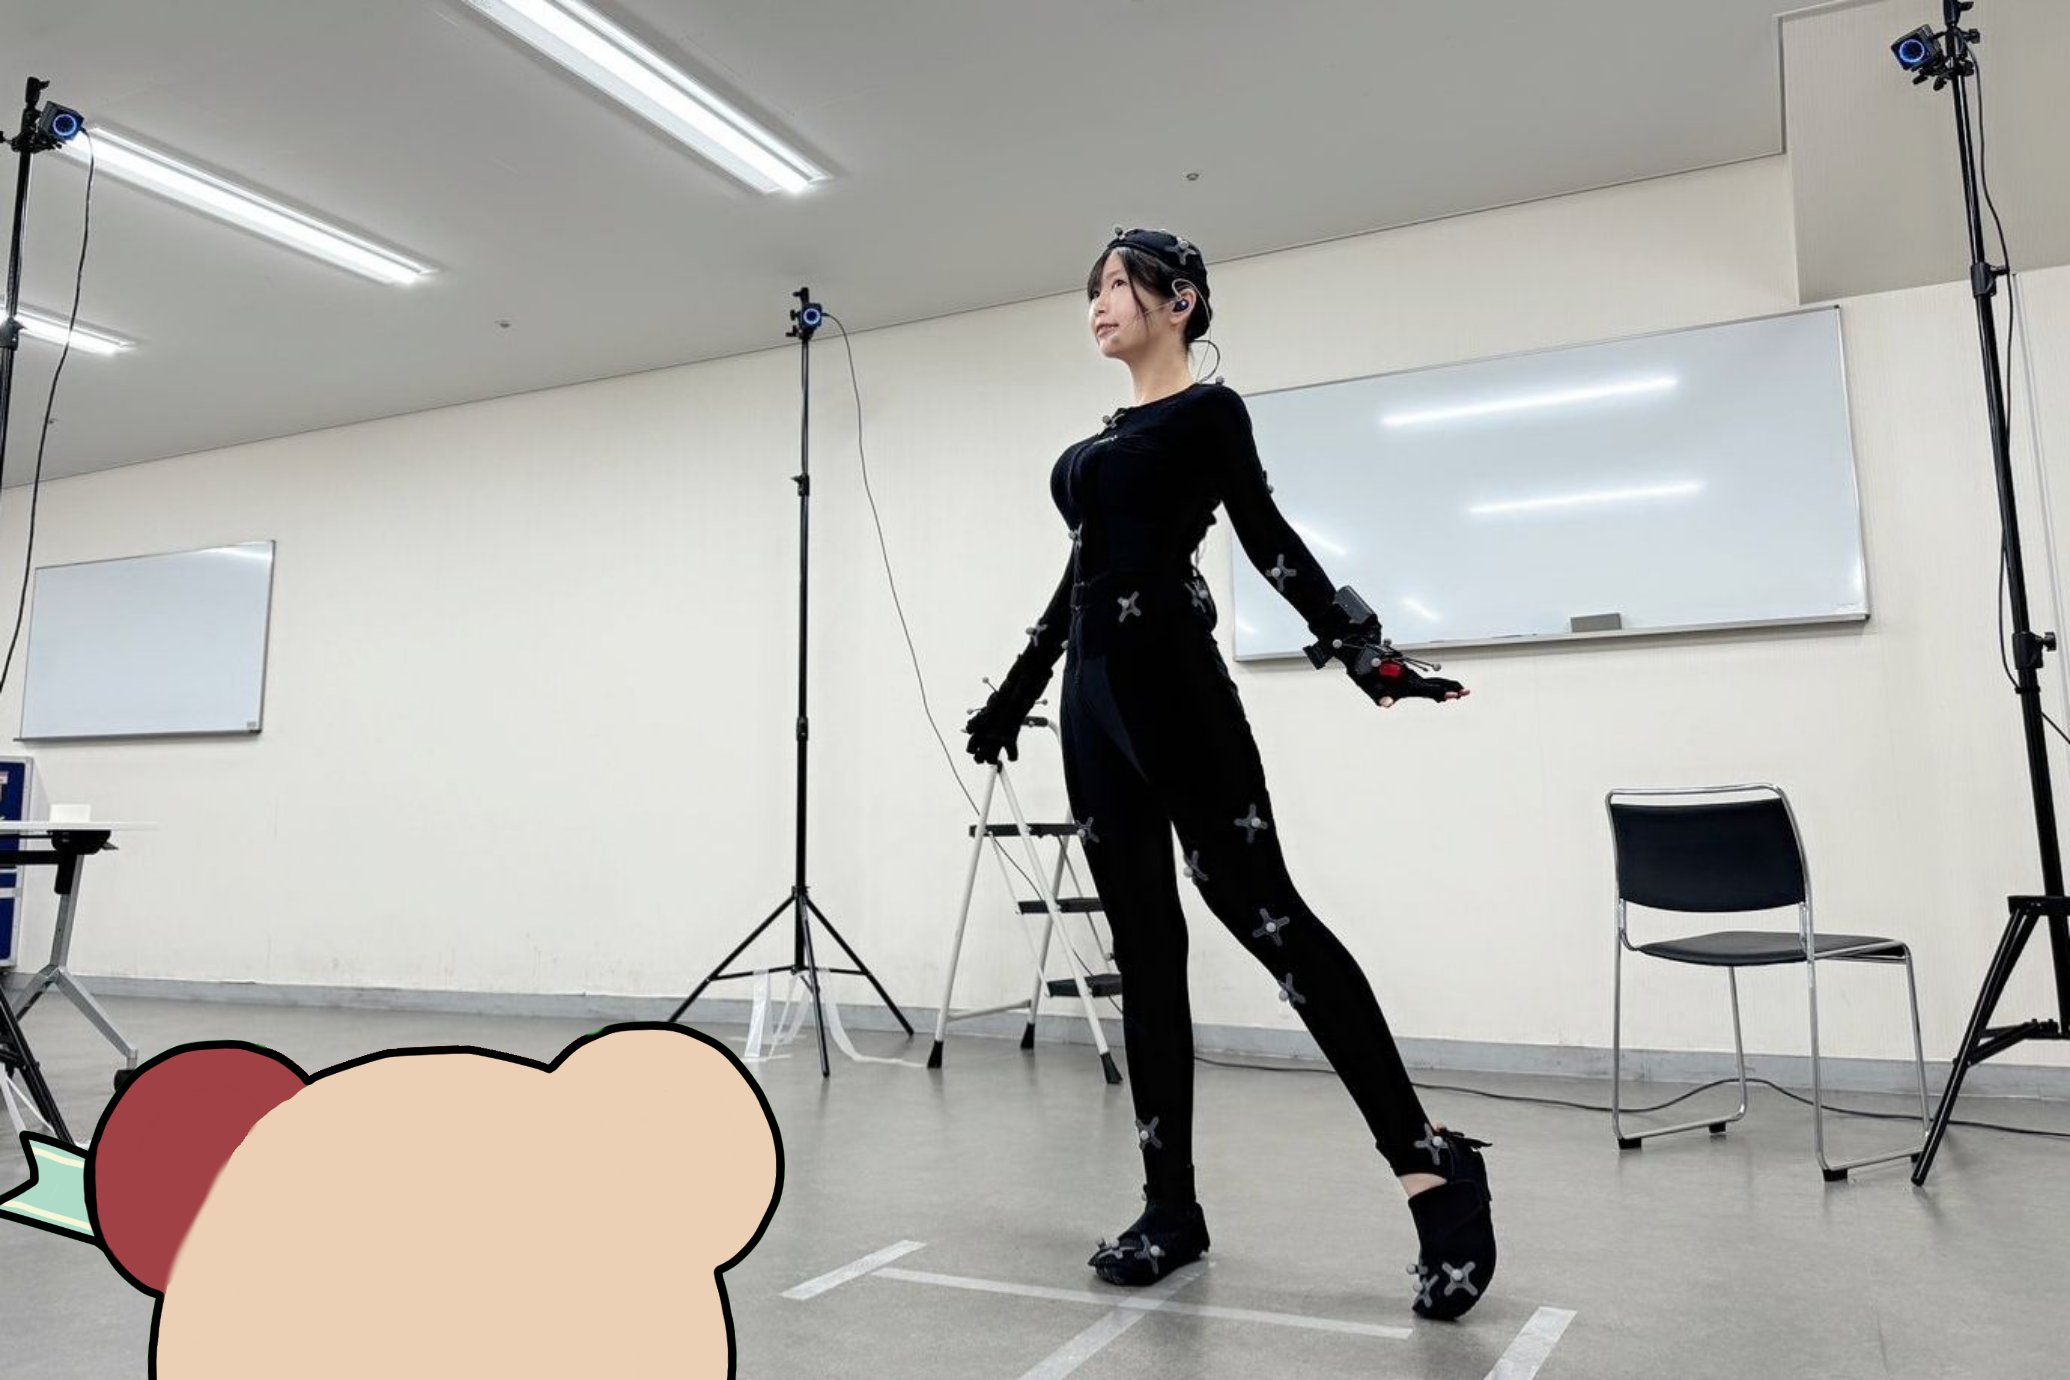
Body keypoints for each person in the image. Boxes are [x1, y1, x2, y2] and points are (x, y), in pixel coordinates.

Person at [962, 228, 1496, 1321]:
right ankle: (1171, 1210)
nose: (1100, 302)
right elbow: (1081, 575)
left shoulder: (1209, 413)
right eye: (1095, 288)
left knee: (1271, 923)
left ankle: (1429, 1165)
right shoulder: (1105, 442)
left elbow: (1266, 535)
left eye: (1121, 285)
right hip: (1093, 709)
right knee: (1145, 956)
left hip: (1176, 695)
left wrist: (1361, 647)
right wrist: (1018, 693)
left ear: (1182, 303)